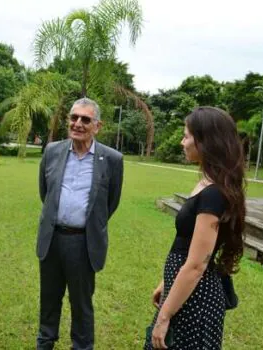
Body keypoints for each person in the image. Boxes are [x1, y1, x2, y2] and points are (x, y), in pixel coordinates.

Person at [145, 107, 246, 350]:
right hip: (182, 294)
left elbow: (197, 264)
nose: (182, 142)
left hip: (195, 302)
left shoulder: (214, 194)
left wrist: (164, 316)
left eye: (186, 136)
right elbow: (186, 245)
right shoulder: (206, 185)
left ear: (206, 141)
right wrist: (166, 284)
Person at [36, 97, 124, 350]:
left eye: (85, 119)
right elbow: (46, 193)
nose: (78, 123)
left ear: (97, 126)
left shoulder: (112, 159)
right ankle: (45, 343)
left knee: (81, 303)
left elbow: (110, 203)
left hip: (84, 243)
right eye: (74, 118)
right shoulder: (52, 151)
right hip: (52, 239)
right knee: (49, 299)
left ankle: (82, 346)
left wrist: (88, 224)